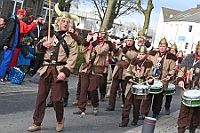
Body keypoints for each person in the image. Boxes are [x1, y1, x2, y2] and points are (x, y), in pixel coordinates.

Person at [27, 3, 78, 132]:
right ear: (59, 22)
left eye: (68, 22)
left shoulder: (71, 39)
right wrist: (43, 44)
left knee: (56, 100)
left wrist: (65, 72)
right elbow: (38, 50)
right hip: (45, 69)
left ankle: (60, 120)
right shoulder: (49, 34)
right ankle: (37, 122)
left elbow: (73, 57)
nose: (65, 24)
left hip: (60, 71)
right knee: (40, 98)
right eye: (63, 21)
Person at [73, 27, 110, 115]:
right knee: (83, 89)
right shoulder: (91, 43)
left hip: (96, 69)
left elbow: (100, 51)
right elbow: (82, 50)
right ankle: (81, 108)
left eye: (103, 33)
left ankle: (95, 105)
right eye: (99, 33)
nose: (101, 35)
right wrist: (87, 41)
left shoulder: (106, 44)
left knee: (92, 89)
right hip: (86, 68)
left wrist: (94, 42)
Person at [140, 37, 176, 119]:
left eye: (163, 46)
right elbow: (147, 65)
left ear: (166, 47)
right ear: (158, 46)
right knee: (147, 97)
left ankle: (156, 113)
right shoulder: (152, 55)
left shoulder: (170, 57)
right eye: (160, 46)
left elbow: (172, 70)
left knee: (158, 99)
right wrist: (147, 75)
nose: (162, 48)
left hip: (162, 80)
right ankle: (144, 113)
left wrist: (169, 76)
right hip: (151, 78)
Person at [119, 45, 154, 127]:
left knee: (136, 105)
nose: (140, 56)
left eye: (142, 54)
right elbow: (127, 72)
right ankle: (125, 120)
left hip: (140, 85)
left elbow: (150, 74)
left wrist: (150, 79)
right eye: (140, 54)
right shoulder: (133, 62)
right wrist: (129, 78)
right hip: (131, 85)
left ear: (146, 55)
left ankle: (135, 119)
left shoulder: (148, 64)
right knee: (127, 103)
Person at [0, 9, 37, 84]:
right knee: (6, 60)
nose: (23, 18)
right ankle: (1, 76)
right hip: (10, 44)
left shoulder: (14, 20)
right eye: (23, 16)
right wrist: (5, 44)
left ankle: (2, 76)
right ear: (20, 15)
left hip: (11, 44)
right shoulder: (13, 21)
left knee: (7, 60)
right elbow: (8, 32)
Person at [105, 32, 138, 111]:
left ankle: (125, 104)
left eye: (130, 40)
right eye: (127, 40)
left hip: (126, 71)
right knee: (113, 89)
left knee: (124, 89)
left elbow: (131, 56)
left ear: (133, 41)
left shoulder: (135, 51)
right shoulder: (122, 48)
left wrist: (124, 49)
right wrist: (116, 49)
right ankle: (111, 105)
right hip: (118, 70)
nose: (129, 42)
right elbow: (114, 55)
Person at [176, 41, 200, 133]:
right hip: (187, 90)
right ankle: (181, 130)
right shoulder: (189, 58)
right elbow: (181, 72)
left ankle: (192, 130)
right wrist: (180, 80)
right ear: (197, 48)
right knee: (183, 113)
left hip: (198, 93)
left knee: (196, 115)